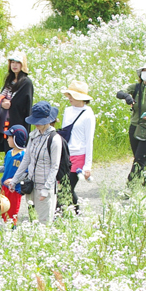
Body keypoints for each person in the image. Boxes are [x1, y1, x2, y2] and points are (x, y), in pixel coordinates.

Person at [7, 102, 62, 224]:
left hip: (45, 186)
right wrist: (15, 180)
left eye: (40, 120)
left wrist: (46, 189)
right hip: (31, 186)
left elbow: (55, 166)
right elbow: (26, 160)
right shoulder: (33, 136)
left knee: (43, 224)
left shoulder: (55, 139)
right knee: (33, 221)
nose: (36, 123)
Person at [0, 51, 35, 155]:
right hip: (4, 123)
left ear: (22, 65)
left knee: (14, 153)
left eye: (18, 62)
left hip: (15, 124)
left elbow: (23, 106)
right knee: (7, 152)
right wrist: (2, 103)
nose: (14, 65)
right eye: (12, 62)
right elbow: (1, 97)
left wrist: (10, 105)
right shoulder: (9, 80)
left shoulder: (26, 83)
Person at [60, 80, 94, 209]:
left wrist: (87, 165)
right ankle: (72, 213)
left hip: (79, 154)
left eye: (72, 96)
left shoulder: (88, 114)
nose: (69, 98)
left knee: (68, 187)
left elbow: (89, 140)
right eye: (69, 95)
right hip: (66, 153)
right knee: (63, 186)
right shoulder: (68, 110)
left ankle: (73, 212)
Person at [0, 125, 26, 223]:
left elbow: (25, 173)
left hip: (14, 189)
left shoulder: (24, 155)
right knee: (2, 210)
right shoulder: (9, 153)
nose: (7, 139)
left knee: (12, 213)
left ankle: (12, 230)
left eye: (10, 137)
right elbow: (5, 168)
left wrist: (14, 180)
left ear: (16, 139)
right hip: (4, 187)